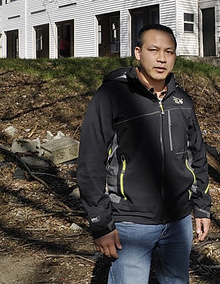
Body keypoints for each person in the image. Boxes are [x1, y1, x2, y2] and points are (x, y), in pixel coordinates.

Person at [77, 24, 212, 283]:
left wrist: (202, 209)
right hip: (131, 224)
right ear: (138, 53)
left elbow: (197, 157)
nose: (162, 58)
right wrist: (101, 224)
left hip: (179, 221)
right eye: (154, 50)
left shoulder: (182, 101)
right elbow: (89, 162)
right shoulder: (112, 96)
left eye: (169, 52)